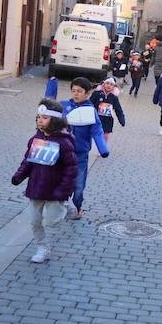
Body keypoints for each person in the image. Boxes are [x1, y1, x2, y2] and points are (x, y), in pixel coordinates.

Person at [12, 99, 78, 264]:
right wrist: (19, 175)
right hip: (36, 187)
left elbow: (71, 170)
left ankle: (66, 203)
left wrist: (63, 191)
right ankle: (42, 248)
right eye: (38, 117)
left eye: (45, 118)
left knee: (52, 222)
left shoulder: (64, 142)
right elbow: (28, 161)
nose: (40, 121)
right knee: (35, 221)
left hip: (55, 190)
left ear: (54, 120)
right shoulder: (36, 139)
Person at [62, 77, 109, 219]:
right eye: (73, 91)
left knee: (79, 183)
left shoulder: (90, 111)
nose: (76, 94)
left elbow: (97, 130)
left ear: (87, 93)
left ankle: (77, 207)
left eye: (79, 91)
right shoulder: (65, 106)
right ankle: (62, 205)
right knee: (62, 180)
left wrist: (103, 149)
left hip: (81, 154)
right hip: (64, 153)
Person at [90, 78, 125, 143]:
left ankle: (102, 148)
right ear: (103, 84)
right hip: (96, 119)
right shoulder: (96, 94)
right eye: (107, 83)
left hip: (107, 121)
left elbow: (118, 109)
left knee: (104, 138)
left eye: (111, 84)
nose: (109, 85)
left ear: (114, 87)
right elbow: (90, 104)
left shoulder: (114, 97)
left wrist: (121, 120)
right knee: (93, 135)